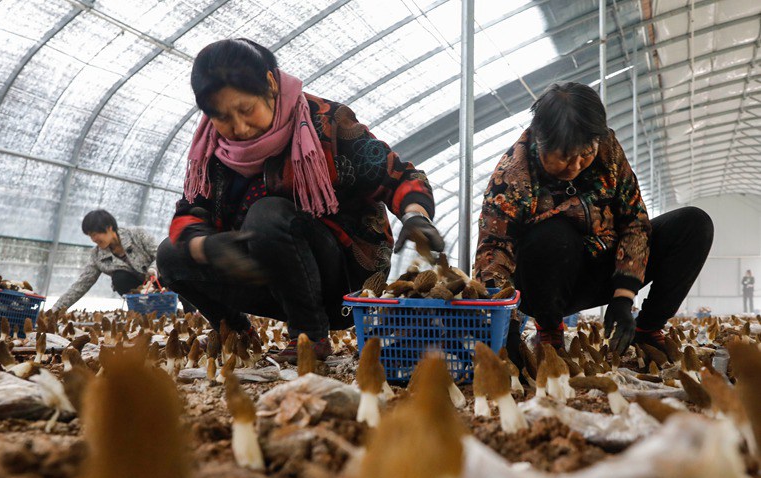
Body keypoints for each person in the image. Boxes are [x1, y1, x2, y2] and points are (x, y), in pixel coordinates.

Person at [157, 38, 443, 362]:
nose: (238, 127)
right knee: (170, 255)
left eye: (246, 109)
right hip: (269, 275)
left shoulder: (327, 123)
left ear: (269, 84)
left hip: (342, 283)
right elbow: (191, 212)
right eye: (222, 117)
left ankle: (311, 338)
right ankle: (236, 331)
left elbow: (399, 176)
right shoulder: (211, 152)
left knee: (267, 215)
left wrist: (416, 216)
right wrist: (204, 246)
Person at [475, 82, 713, 359]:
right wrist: (508, 331)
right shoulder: (513, 175)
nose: (575, 166)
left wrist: (624, 297)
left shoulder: (607, 150)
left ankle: (646, 330)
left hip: (607, 269)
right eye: (564, 157)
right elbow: (492, 253)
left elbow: (634, 220)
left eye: (585, 155)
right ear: (540, 140)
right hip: (548, 278)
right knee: (553, 234)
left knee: (693, 224)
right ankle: (549, 328)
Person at [51, 210, 160, 313]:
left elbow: (160, 255)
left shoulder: (137, 234)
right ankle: (142, 311)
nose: (93, 239)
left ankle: (169, 303)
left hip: (159, 282)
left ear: (109, 228)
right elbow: (82, 283)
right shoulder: (97, 256)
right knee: (119, 278)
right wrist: (56, 309)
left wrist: (153, 269)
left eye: (94, 234)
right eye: (90, 236)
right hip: (138, 293)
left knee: (167, 264)